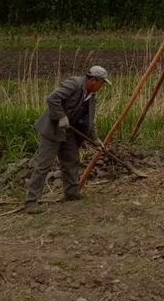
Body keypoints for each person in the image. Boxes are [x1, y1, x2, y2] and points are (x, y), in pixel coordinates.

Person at [25, 65, 111, 214]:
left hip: (68, 132)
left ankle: (71, 193)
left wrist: (95, 139)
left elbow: (89, 120)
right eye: (101, 82)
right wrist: (61, 116)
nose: (102, 86)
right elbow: (52, 98)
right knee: (44, 164)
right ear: (92, 80)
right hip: (53, 129)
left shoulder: (91, 96)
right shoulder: (74, 84)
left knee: (71, 160)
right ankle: (31, 202)